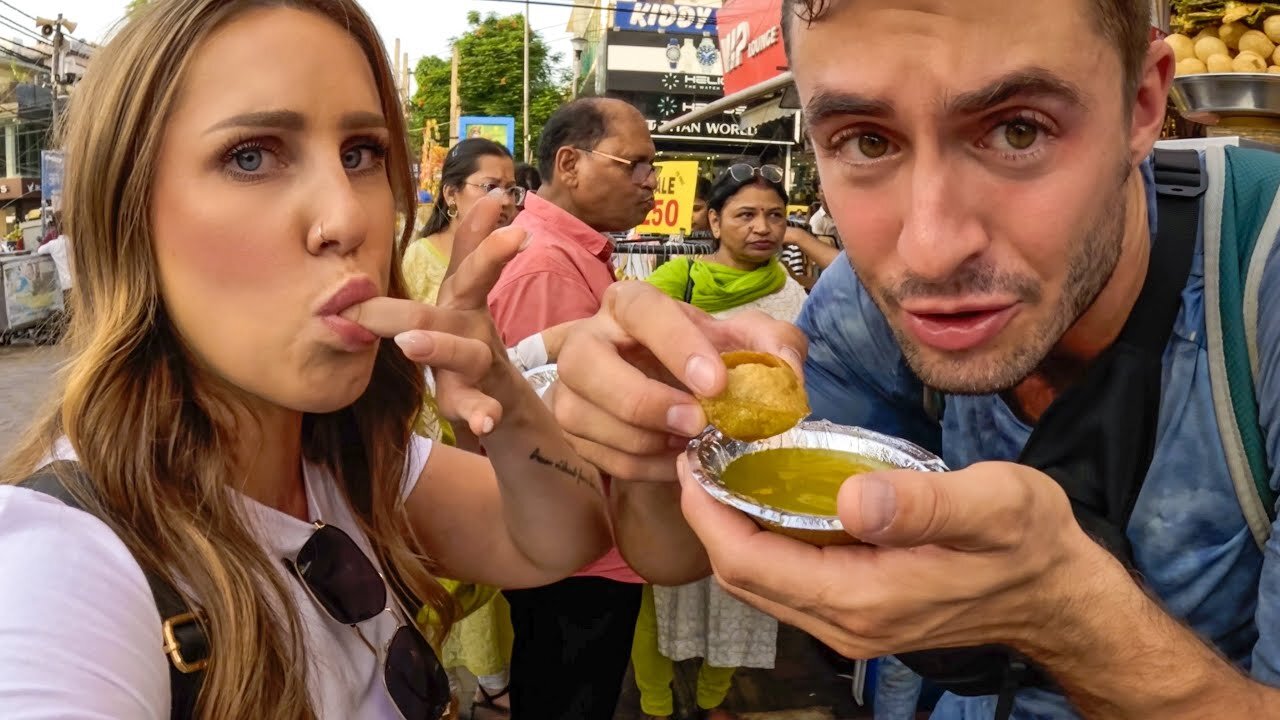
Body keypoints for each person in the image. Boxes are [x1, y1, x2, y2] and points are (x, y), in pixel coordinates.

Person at [544, 0, 1280, 719]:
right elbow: (673, 556)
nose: (929, 250)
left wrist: (1069, 620)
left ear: (1144, 103)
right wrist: (656, 440)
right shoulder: (861, 306)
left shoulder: (1260, 281)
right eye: (866, 142)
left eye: (1019, 129)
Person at [0, 2, 661, 718]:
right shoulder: (60, 573)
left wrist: (495, 380)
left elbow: (560, 540)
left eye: (361, 154)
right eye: (250, 156)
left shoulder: (345, 466)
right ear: (126, 214)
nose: (348, 218)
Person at [487, 96, 659, 719]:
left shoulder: (569, 257)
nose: (650, 184)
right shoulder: (547, 269)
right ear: (570, 163)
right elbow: (544, 432)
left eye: (652, 167)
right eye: (635, 165)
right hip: (579, 552)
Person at [632, 159, 808, 720]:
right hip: (677, 461)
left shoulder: (795, 295)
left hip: (760, 469)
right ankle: (656, 703)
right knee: (663, 591)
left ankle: (712, 698)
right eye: (746, 214)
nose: (764, 228)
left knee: (745, 587)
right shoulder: (672, 284)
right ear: (713, 220)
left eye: (776, 217)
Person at [403, 138, 522, 305]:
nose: (506, 201)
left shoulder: (515, 256)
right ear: (451, 194)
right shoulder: (418, 259)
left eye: (510, 190)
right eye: (490, 187)